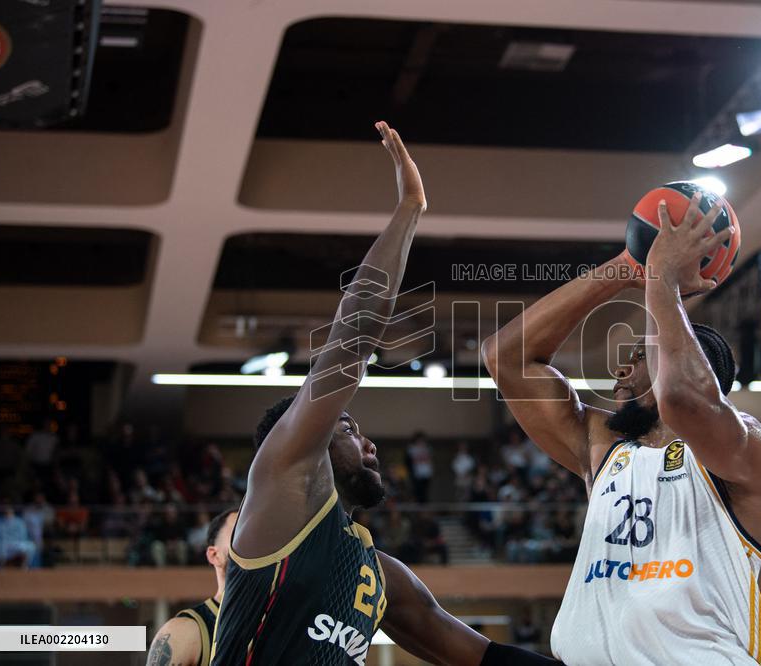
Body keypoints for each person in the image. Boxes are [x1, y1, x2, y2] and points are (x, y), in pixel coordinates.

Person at [211, 122, 559, 666]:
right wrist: (409, 209)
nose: (370, 444)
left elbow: (479, 656)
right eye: (348, 429)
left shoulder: (378, 576)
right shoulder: (283, 480)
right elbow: (353, 335)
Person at [484, 191, 761, 665]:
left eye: (639, 357)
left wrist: (662, 277)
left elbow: (682, 400)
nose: (620, 373)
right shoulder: (603, 447)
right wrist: (628, 265)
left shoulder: (749, 454)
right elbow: (506, 357)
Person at [147, 509, 237, 666]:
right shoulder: (184, 633)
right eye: (240, 532)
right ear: (214, 555)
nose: (252, 542)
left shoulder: (283, 622)